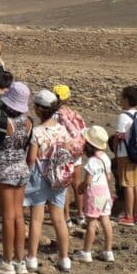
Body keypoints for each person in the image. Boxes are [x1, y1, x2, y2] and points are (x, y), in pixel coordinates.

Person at [0, 82, 33, 274]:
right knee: (19, 216)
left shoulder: (3, 122)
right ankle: (19, 261)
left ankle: (6, 261)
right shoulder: (29, 122)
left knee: (7, 217)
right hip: (21, 169)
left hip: (5, 170)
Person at [24, 89, 72, 273]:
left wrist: (27, 171)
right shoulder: (62, 130)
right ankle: (64, 258)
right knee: (59, 219)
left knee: (36, 219)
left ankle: (32, 257)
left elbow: (31, 158)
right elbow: (66, 153)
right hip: (58, 176)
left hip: (39, 174)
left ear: (38, 109)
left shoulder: (37, 132)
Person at [74, 126, 114, 263]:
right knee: (105, 220)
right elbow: (109, 177)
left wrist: (80, 187)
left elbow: (88, 181)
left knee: (92, 222)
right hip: (104, 192)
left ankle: (86, 252)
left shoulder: (92, 161)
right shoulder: (105, 158)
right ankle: (108, 251)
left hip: (94, 193)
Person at [53, 84, 87, 228]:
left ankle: (66, 217)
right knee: (77, 184)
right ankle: (81, 215)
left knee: (64, 186)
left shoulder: (56, 115)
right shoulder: (73, 113)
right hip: (76, 152)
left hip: (63, 153)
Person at [113, 85, 137, 226]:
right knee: (136, 184)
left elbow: (118, 137)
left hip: (125, 154)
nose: (119, 99)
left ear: (126, 99)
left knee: (127, 185)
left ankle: (128, 216)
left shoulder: (123, 116)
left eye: (121, 97)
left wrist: (115, 153)